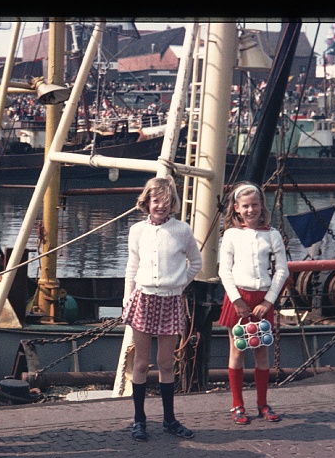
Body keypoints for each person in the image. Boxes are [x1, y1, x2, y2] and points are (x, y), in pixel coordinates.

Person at [122, 175, 203, 442]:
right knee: (142, 363)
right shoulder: (137, 231)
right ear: (147, 202)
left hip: (170, 300)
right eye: (156, 201)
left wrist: (180, 283)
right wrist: (127, 297)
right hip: (144, 299)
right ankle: (139, 420)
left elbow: (196, 263)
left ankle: (169, 419)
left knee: (166, 363)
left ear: (173, 204)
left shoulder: (182, 230)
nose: (161, 206)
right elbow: (132, 267)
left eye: (166, 202)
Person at [218, 182, 289, 425]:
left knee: (261, 350)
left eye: (255, 205)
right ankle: (237, 405)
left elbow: (282, 271)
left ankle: (262, 404)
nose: (251, 210)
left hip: (262, 301)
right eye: (245, 206)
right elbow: (224, 271)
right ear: (237, 208)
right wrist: (236, 300)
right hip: (238, 299)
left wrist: (268, 301)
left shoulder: (273, 234)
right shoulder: (230, 235)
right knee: (237, 351)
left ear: (261, 206)